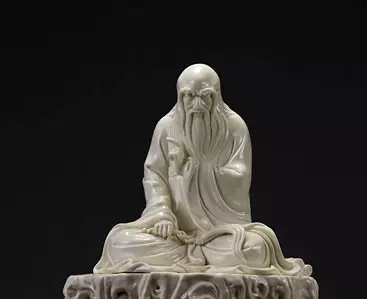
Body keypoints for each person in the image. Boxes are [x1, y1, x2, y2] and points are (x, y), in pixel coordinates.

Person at [94, 63, 311, 276]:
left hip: (220, 235)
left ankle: (193, 257)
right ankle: (191, 256)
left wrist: (198, 167)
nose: (197, 104)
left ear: (217, 96)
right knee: (119, 243)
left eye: (205, 96)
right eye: (189, 96)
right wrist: (162, 215)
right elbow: (154, 175)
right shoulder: (166, 127)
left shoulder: (234, 127)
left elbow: (240, 178)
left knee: (255, 248)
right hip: (175, 235)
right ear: (180, 96)